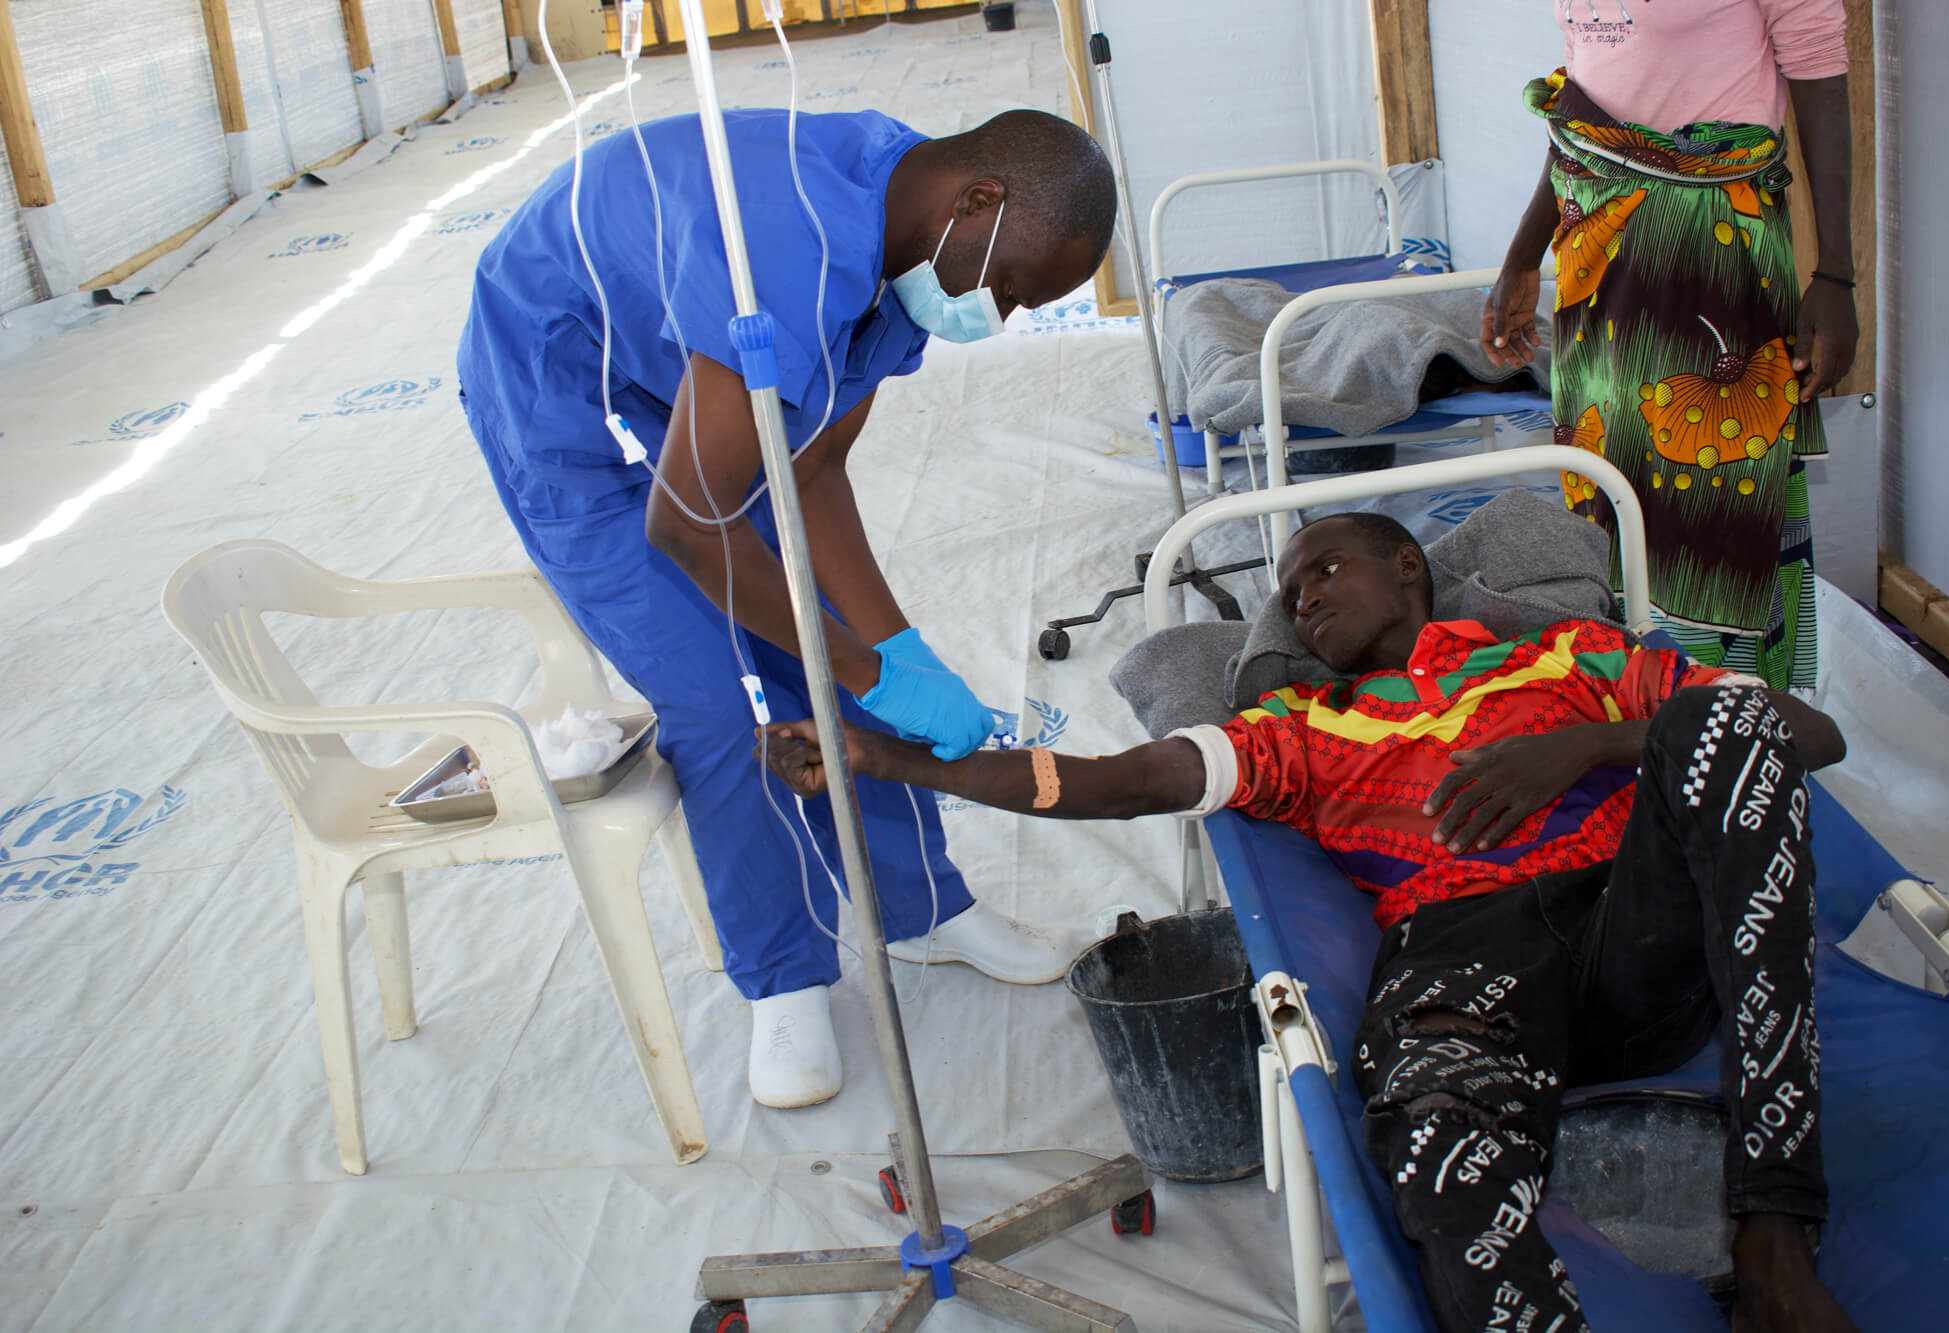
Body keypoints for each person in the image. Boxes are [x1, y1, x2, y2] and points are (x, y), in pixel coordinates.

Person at [760, 512, 1858, 1333]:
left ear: (1408, 569)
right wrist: (886, 757)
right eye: (1289, 591)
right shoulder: (1293, 725)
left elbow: (1803, 733)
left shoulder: (1568, 660)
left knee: (1718, 713)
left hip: (1632, 933)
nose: (1302, 598)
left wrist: (1584, 745)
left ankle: (1769, 1228)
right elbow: (1116, 780)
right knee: (1433, 1154)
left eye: (1323, 568)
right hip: (1462, 963)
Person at [456, 107, 1116, 1109]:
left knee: (830, 647)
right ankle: (784, 976)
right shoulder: (787, 251)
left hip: (678, 331)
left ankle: (921, 908)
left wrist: (895, 652)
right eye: (1014, 289)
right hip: (556, 375)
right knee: (718, 697)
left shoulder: (911, 247)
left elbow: (811, 472)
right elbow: (687, 521)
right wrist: (857, 666)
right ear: (978, 201)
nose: (1006, 315)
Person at [1482, 0, 1857, 693]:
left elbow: (1817, 70)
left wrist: (1836, 273)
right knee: (1608, 482)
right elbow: (1586, 98)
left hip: (1709, 252)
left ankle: (1729, 710)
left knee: (1711, 493)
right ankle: (1633, 699)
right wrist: (1524, 253)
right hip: (1596, 253)